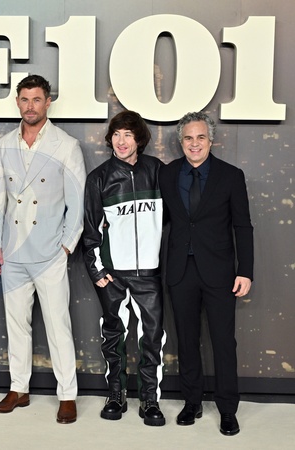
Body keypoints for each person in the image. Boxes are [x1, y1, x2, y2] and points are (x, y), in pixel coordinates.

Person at [0, 75, 86, 424]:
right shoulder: (4, 143)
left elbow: (77, 201)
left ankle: (67, 395)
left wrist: (66, 246)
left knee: (58, 326)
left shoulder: (66, 144)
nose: (30, 106)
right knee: (16, 324)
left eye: (37, 99)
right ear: (17, 101)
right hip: (13, 251)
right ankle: (19, 389)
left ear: (48, 102)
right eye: (25, 99)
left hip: (49, 252)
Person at [159, 112, 254, 436]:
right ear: (181, 141)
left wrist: (245, 271)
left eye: (200, 137)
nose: (194, 143)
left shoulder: (231, 176)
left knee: (224, 343)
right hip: (180, 271)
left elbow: (243, 226)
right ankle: (192, 402)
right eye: (188, 138)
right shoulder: (168, 174)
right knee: (187, 342)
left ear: (210, 140)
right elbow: (159, 220)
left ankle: (227, 409)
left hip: (220, 273)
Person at [82, 110, 166, 426]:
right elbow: (90, 230)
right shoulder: (99, 178)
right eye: (116, 134)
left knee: (152, 338)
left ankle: (149, 400)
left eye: (128, 134)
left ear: (138, 139)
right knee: (113, 337)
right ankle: (115, 395)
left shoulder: (157, 172)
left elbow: (174, 222)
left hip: (149, 274)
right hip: (113, 275)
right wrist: (97, 271)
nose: (121, 141)